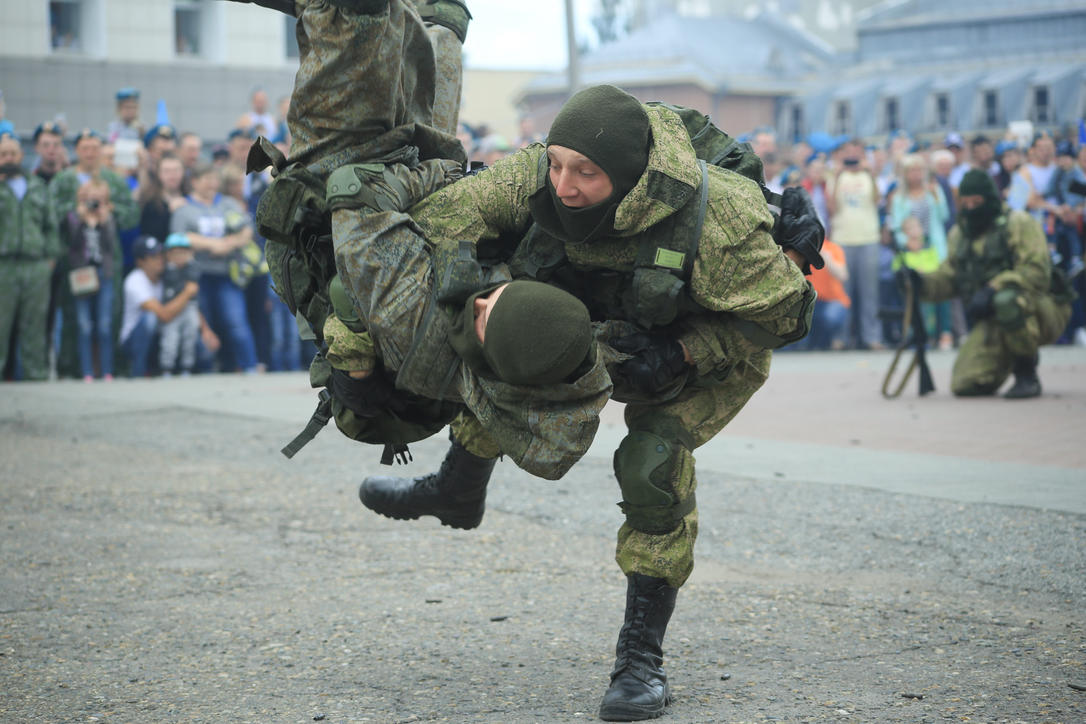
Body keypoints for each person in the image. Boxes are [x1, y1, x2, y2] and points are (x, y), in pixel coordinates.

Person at [354, 84, 814, 721]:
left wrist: (689, 352)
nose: (564, 186)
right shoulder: (532, 176)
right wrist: (466, 305)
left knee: (650, 462)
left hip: (698, 347)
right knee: (513, 336)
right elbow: (432, 229)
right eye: (557, 165)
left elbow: (787, 316)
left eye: (586, 173)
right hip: (597, 329)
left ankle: (640, 661)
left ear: (626, 175)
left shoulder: (716, 220)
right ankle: (459, 487)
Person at [899, 170, 1072, 398]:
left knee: (1007, 300)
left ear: (989, 199)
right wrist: (920, 283)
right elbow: (950, 278)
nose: (971, 208)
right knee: (965, 384)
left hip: (1040, 308)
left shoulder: (1018, 223)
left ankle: (1026, 373)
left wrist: (995, 287)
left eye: (977, 202)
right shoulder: (960, 234)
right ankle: (1008, 352)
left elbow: (1037, 272)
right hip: (994, 317)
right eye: (966, 203)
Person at [171, 161, 258, 373]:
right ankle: (204, 369)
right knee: (202, 323)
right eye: (206, 179)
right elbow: (179, 237)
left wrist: (228, 244)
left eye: (214, 179)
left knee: (236, 322)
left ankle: (249, 366)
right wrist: (213, 244)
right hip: (197, 275)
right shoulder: (184, 209)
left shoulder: (228, 204)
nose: (211, 183)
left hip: (228, 275)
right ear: (194, 182)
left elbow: (247, 231)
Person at [0, 133, 60, 381]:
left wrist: (50, 260)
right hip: (4, 264)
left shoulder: (37, 186)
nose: (8, 158)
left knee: (35, 323)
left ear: (21, 156)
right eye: (3, 154)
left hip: (35, 264)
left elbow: (51, 226)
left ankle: (36, 375)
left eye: (13, 153)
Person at [119, 235, 206, 377]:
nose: (160, 259)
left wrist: (206, 330)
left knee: (190, 327)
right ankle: (137, 372)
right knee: (150, 318)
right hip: (133, 341)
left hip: (161, 334)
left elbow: (187, 306)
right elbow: (164, 315)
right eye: (153, 256)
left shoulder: (167, 277)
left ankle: (188, 370)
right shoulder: (134, 281)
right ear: (140, 262)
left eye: (160, 254)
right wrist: (187, 292)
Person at [827, 139, 883, 349]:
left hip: (868, 237)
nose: (852, 156)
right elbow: (831, 209)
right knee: (842, 292)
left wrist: (871, 174)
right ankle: (841, 337)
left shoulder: (868, 175)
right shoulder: (835, 176)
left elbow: (878, 201)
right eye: (848, 152)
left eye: (856, 152)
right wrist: (837, 176)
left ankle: (872, 337)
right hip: (842, 239)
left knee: (870, 293)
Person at [67, 177, 118, 381]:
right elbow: (71, 243)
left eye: (99, 199)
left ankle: (107, 370)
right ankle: (87, 371)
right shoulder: (74, 217)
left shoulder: (108, 218)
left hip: (103, 273)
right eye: (90, 198)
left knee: (104, 325)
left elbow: (111, 246)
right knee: (84, 326)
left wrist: (104, 222)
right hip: (82, 275)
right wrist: (81, 221)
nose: (94, 203)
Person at [158, 233, 203, 375]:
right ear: (168, 254)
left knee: (190, 335)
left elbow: (194, 279)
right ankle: (166, 367)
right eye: (176, 253)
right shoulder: (166, 269)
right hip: (171, 308)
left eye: (183, 253)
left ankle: (187, 366)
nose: (180, 257)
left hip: (189, 308)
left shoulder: (192, 267)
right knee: (170, 339)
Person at [138, 153, 187, 245]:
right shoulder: (150, 201)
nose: (172, 175)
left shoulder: (191, 196)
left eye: (176, 170)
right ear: (158, 174)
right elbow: (150, 235)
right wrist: (168, 212)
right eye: (167, 171)